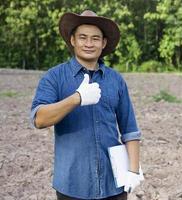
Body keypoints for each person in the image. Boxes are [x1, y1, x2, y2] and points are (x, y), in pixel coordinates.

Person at [30, 10, 143, 200]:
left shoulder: (116, 80)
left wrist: (133, 171)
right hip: (72, 185)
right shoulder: (54, 77)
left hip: (114, 183)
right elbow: (39, 119)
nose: (89, 44)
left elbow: (130, 130)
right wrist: (77, 98)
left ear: (103, 43)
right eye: (83, 37)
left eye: (95, 38)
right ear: (72, 40)